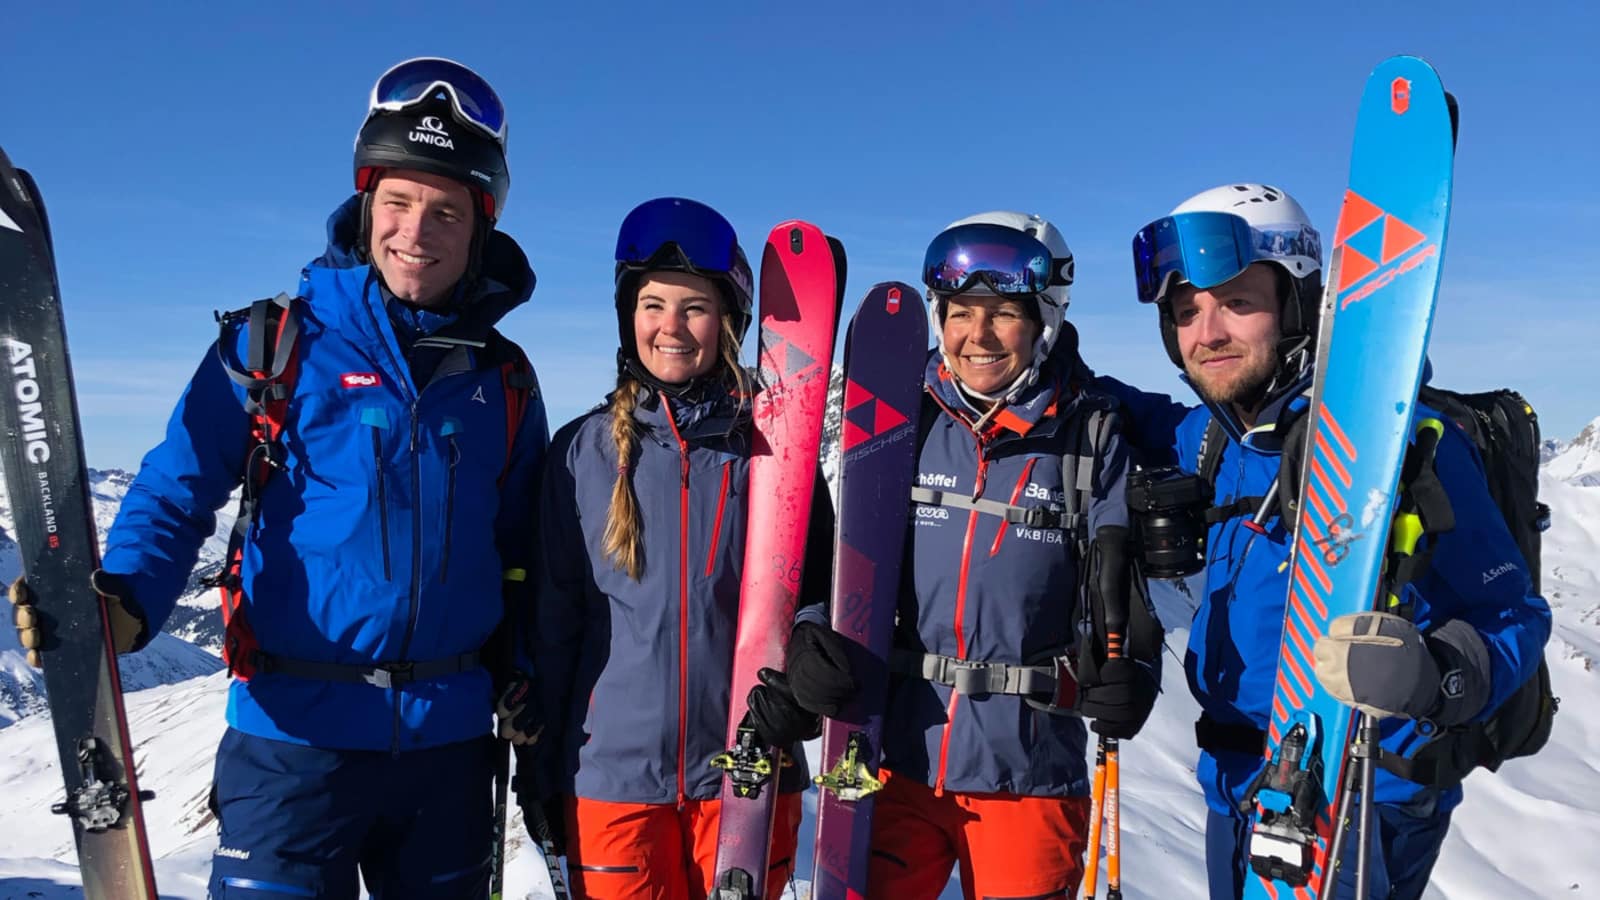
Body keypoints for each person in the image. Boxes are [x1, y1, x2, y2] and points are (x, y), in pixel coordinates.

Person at [9, 57, 547, 899]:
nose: (418, 231)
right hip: (292, 744)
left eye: (446, 211)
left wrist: (526, 672)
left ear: (480, 229)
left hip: (448, 750)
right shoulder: (272, 348)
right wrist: (127, 603)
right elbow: (175, 488)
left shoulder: (504, 381)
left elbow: (519, 545)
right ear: (366, 205)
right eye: (399, 203)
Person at [1103, 182, 1551, 899]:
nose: (1207, 331)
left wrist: (1438, 674)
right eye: (1186, 311)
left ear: (1299, 302)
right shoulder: (1205, 438)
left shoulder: (1405, 446)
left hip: (1367, 794)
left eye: (1237, 302)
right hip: (1235, 785)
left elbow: (1517, 614)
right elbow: (1109, 408)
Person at [526, 197, 834, 900]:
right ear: (626, 317)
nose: (670, 327)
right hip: (611, 784)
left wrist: (807, 665)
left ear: (728, 322)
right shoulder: (581, 453)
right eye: (652, 304)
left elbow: (817, 589)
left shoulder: (775, 450)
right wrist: (540, 764)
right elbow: (554, 618)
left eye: (693, 307)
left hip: (748, 772)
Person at [860, 211, 1162, 900]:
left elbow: (1124, 576)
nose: (978, 335)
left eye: (1002, 314)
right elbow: (849, 562)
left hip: (1029, 772)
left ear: (1045, 318)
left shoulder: (1089, 435)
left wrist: (1135, 668)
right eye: (961, 312)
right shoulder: (905, 418)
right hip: (900, 763)